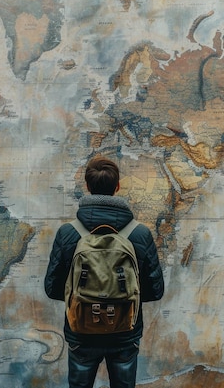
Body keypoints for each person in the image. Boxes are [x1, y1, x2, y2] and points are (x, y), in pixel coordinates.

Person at [45, 156, 165, 388]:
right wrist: (119, 295)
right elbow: (155, 291)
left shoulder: (68, 233)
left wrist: (87, 296)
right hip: (124, 333)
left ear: (88, 187)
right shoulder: (139, 234)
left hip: (81, 332)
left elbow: (52, 288)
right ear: (117, 187)